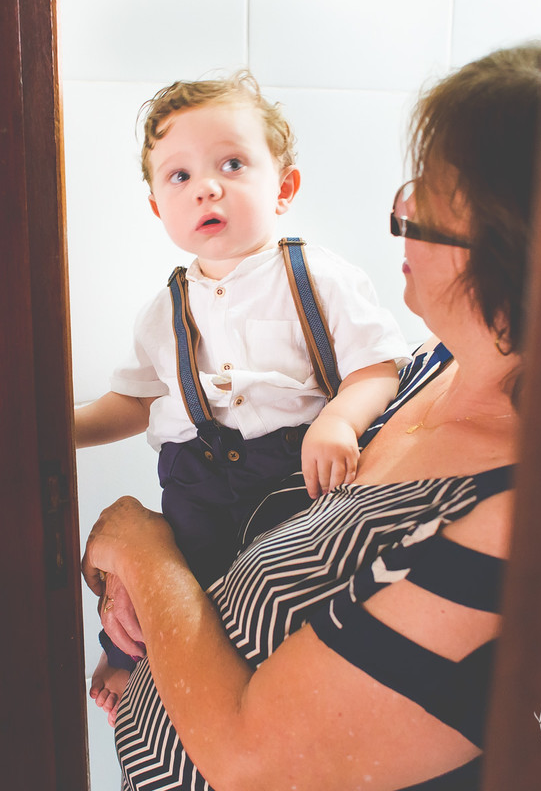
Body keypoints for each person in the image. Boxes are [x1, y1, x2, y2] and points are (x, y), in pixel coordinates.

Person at [82, 42, 541, 790]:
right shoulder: (433, 367)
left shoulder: (511, 518)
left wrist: (141, 548)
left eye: (427, 201)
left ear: (511, 246)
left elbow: (253, 762)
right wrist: (141, 607)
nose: (401, 212)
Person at [74, 71, 411, 718]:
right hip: (195, 483)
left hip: (292, 477)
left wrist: (340, 420)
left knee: (285, 604)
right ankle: (125, 661)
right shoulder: (163, 310)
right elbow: (134, 402)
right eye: (179, 176)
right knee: (176, 585)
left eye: (232, 164)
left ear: (283, 186)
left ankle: (279, 697)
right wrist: (65, 428)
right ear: (156, 207)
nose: (206, 185)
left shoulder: (318, 276)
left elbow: (378, 367)